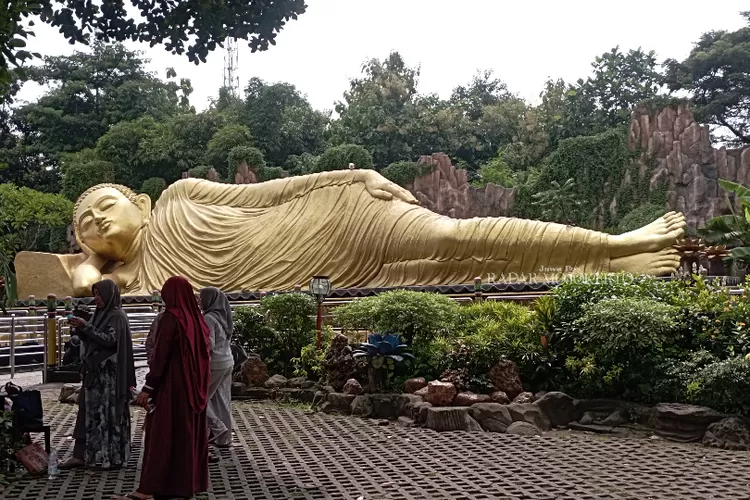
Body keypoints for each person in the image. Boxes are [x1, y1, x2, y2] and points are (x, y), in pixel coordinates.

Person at [16, 170, 686, 299]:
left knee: (452, 237)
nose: (98, 221)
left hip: (333, 217)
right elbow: (45, 278)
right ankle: (606, 266)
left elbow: (266, 194)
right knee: (444, 271)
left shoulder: (183, 197)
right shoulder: (127, 285)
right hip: (327, 279)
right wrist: (84, 266)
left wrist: (354, 177)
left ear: (137, 200)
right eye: (85, 224)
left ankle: (618, 243)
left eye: (105, 205)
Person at [133, 276, 211, 500]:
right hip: (193, 386)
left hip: (172, 385)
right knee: (186, 434)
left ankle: (150, 488)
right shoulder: (198, 320)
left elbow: (160, 357)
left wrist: (148, 387)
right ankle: (187, 483)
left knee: (163, 435)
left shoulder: (171, 319)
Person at [61, 279, 135, 470]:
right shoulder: (99, 315)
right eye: (95, 294)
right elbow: (94, 338)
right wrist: (81, 328)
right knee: (89, 414)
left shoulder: (117, 316)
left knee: (108, 415)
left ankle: (112, 455)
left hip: (109, 378)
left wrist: (86, 327)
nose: (96, 298)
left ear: (109, 295)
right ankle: (85, 454)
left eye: (100, 294)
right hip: (94, 374)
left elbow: (110, 340)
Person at [200, 287, 234, 448]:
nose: (199, 301)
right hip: (228, 361)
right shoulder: (223, 317)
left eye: (201, 298)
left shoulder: (208, 318)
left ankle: (218, 428)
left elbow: (209, 344)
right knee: (222, 400)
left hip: (215, 363)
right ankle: (225, 438)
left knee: (199, 398)